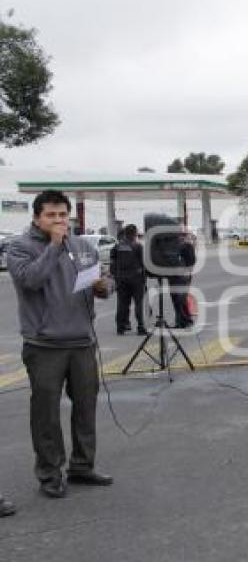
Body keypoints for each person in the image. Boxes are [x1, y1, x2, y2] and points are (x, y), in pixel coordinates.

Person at [7, 190, 114, 499]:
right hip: (44, 345)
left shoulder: (82, 246)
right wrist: (54, 246)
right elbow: (31, 280)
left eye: (63, 215)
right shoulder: (19, 248)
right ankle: (50, 473)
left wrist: (103, 285)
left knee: (86, 407)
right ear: (37, 217)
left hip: (82, 342)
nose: (58, 221)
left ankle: (82, 466)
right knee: (46, 415)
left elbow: (105, 282)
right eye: (51, 215)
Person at [109, 224, 147, 335]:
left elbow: (112, 264)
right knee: (139, 303)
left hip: (121, 279)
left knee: (122, 303)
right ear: (135, 234)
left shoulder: (117, 247)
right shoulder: (138, 246)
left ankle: (120, 327)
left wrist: (115, 276)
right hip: (136, 279)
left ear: (125, 233)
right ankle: (140, 327)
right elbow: (144, 263)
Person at [169, 229, 197, 329]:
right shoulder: (175, 246)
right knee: (177, 298)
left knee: (180, 298)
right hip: (175, 275)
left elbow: (192, 261)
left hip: (182, 275)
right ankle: (183, 320)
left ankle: (184, 320)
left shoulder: (186, 245)